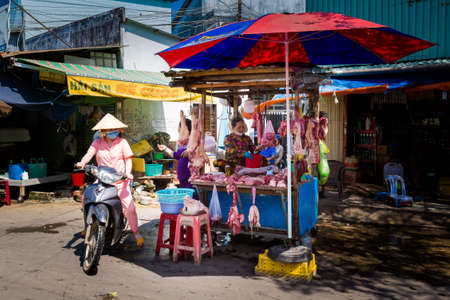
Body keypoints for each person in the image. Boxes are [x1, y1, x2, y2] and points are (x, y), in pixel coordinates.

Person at [76, 113, 144, 248]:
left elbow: (128, 160)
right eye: (110, 130)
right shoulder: (97, 143)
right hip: (102, 180)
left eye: (116, 130)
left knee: (129, 208)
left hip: (120, 181)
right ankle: (86, 225)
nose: (114, 132)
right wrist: (82, 163)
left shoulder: (123, 143)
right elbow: (89, 154)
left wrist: (127, 173)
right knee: (86, 198)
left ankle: (136, 233)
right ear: (103, 132)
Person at [157, 117, 193, 189]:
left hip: (189, 175)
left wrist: (190, 151)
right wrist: (165, 148)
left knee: (190, 194)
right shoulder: (181, 142)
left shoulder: (192, 141)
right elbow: (176, 155)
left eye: (179, 126)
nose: (178, 128)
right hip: (183, 175)